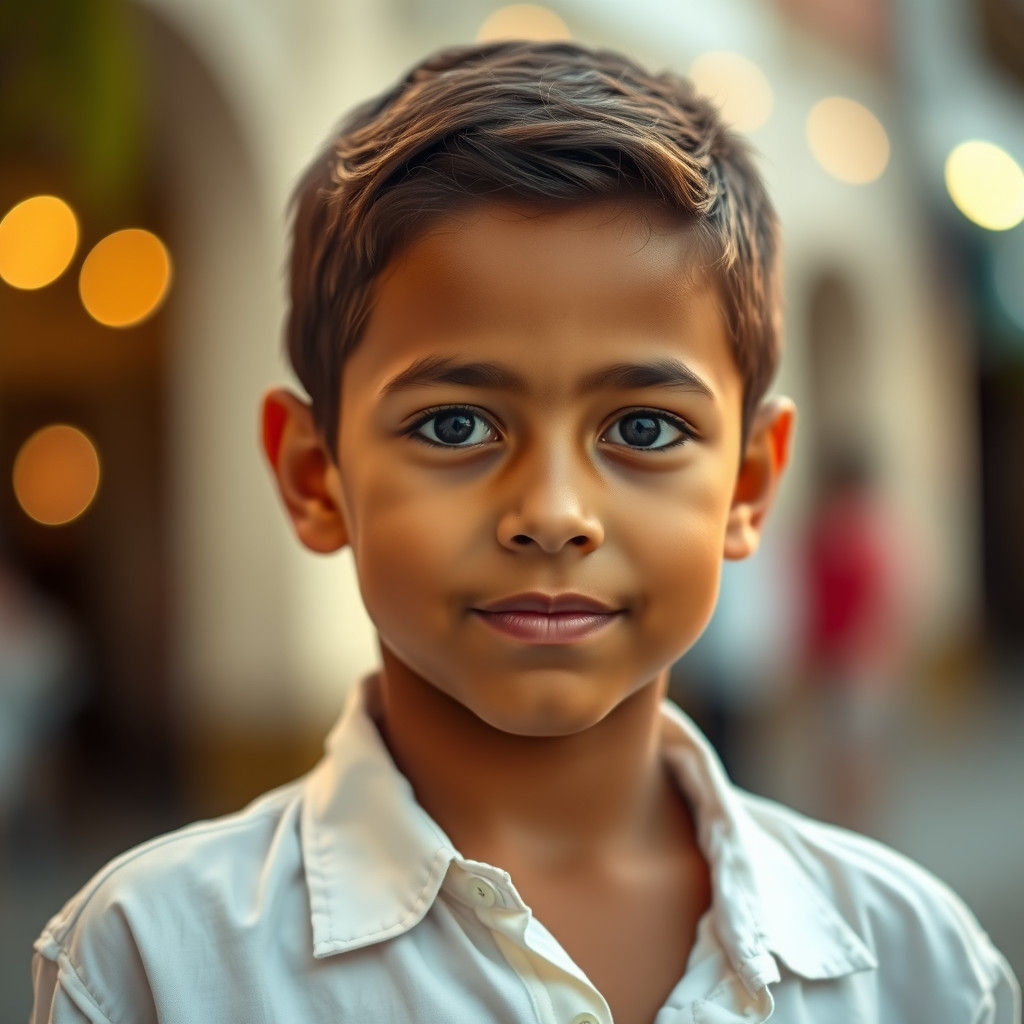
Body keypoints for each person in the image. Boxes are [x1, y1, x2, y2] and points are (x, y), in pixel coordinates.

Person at [30, 39, 1020, 1024]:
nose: (552, 512)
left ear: (748, 484)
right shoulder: (152, 964)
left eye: (643, 428)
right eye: (454, 425)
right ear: (314, 475)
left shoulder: (913, 965)